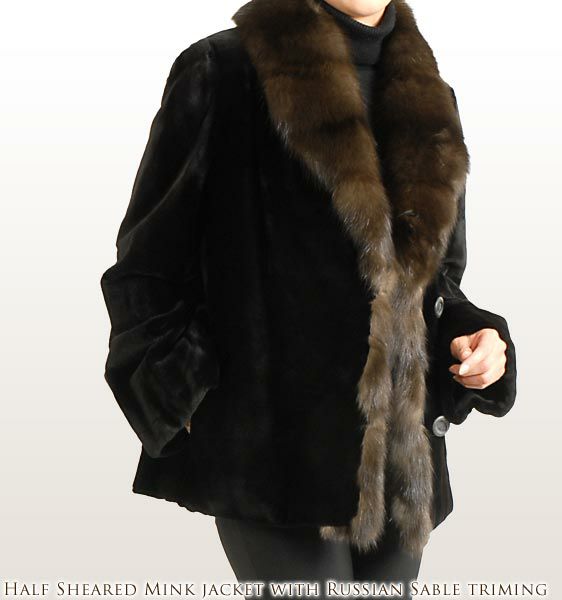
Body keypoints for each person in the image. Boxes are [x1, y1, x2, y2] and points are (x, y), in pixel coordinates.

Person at [99, 0, 518, 595]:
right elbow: (147, 264)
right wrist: (188, 394)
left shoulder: (433, 101)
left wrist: (475, 338)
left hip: (400, 463)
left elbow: (436, 281)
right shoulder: (224, 71)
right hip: (272, 460)